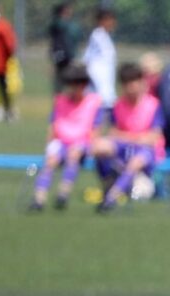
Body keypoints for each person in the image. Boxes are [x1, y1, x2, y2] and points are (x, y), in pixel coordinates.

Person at [91, 62, 165, 214]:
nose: (131, 87)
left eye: (134, 82)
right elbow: (112, 133)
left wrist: (127, 137)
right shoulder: (118, 105)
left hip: (147, 151)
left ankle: (110, 199)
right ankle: (109, 180)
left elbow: (153, 137)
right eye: (127, 83)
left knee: (136, 161)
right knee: (99, 146)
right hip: (124, 148)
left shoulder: (153, 105)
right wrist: (134, 137)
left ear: (141, 82)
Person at [30, 64, 102, 211]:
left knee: (73, 154)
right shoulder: (60, 101)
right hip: (61, 141)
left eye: (77, 84)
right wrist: (50, 145)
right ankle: (39, 199)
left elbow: (95, 129)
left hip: (81, 142)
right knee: (51, 161)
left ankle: (63, 193)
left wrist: (91, 146)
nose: (74, 88)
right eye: (71, 84)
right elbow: (53, 125)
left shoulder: (93, 102)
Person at [83, 8, 117, 111]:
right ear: (102, 21)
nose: (112, 23)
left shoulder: (104, 37)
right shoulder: (98, 36)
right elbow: (89, 60)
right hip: (100, 86)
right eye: (109, 20)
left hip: (106, 83)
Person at [49, 2, 83, 92]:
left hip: (71, 58)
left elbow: (78, 36)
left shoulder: (72, 26)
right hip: (61, 57)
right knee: (60, 83)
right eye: (65, 12)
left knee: (72, 82)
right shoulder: (58, 24)